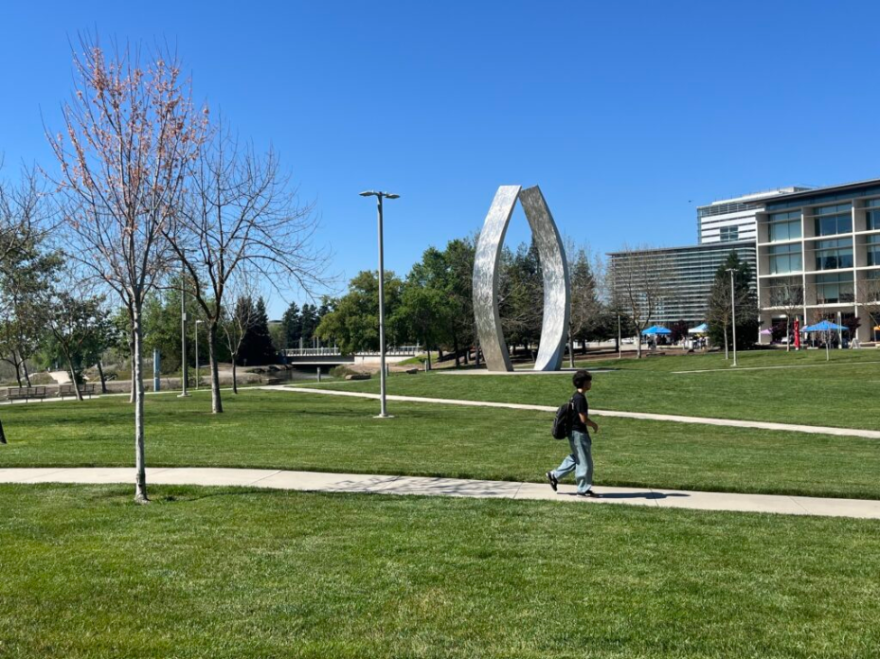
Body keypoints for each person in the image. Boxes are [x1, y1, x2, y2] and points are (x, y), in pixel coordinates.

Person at [546, 370, 601, 497]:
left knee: (576, 458)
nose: (590, 383)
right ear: (584, 383)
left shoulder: (575, 396)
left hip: (574, 433)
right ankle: (583, 490)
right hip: (579, 433)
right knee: (585, 462)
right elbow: (583, 419)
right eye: (589, 381)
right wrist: (594, 425)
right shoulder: (580, 398)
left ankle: (554, 475)